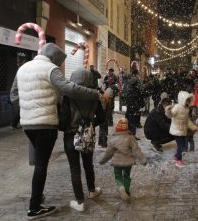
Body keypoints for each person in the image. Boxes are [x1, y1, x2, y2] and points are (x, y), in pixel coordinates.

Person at [10, 43, 100, 219]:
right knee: (41, 165)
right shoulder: (50, 69)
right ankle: (34, 207)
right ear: (54, 59)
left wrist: (26, 111)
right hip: (45, 124)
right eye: (59, 62)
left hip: (28, 124)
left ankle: (38, 196)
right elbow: (70, 89)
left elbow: (13, 96)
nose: (59, 66)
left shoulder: (23, 68)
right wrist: (95, 94)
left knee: (38, 162)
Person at [59, 68, 104, 212]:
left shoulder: (68, 96)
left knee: (74, 168)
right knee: (88, 164)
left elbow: (63, 121)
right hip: (87, 136)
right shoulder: (95, 96)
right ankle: (92, 190)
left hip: (71, 135)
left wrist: (68, 126)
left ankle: (79, 201)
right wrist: (88, 125)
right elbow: (102, 118)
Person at [99, 118, 147, 201]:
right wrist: (143, 159)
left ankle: (121, 187)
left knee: (118, 176)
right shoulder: (131, 138)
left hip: (117, 163)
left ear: (117, 128)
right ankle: (127, 191)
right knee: (127, 176)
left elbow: (108, 153)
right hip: (128, 162)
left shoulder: (113, 140)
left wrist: (102, 160)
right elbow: (136, 150)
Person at [165, 91, 198, 168]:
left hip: (182, 130)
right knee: (181, 145)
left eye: (189, 100)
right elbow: (170, 115)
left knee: (182, 145)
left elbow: (187, 121)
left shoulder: (186, 109)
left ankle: (176, 157)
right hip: (176, 130)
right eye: (187, 100)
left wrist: (193, 127)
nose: (189, 102)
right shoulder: (177, 107)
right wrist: (168, 110)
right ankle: (179, 160)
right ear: (183, 100)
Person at [124, 69, 144, 138]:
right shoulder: (136, 89)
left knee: (130, 120)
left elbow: (125, 97)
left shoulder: (129, 88)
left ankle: (130, 134)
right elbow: (141, 95)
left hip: (131, 106)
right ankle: (132, 135)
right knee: (132, 120)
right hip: (133, 106)